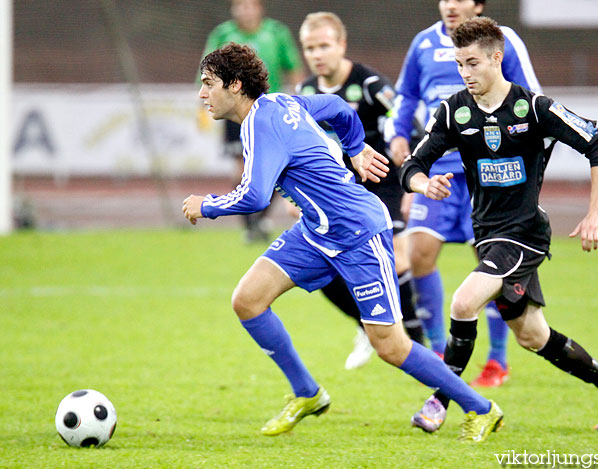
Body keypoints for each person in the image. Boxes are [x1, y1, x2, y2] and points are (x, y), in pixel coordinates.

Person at [183, 42, 503, 441]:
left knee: (388, 345)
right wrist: (354, 149)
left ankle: (482, 407)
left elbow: (254, 196)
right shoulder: (282, 103)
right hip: (316, 232)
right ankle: (307, 393)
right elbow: (338, 110)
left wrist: (206, 205)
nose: (202, 93)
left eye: (208, 84)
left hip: (358, 233)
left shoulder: (262, 123)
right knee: (247, 300)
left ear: (234, 85)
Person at [399, 17, 598, 433]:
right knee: (532, 336)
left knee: (463, 302)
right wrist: (425, 184)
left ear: (497, 58)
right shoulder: (454, 110)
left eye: (473, 63)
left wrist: (596, 212)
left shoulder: (534, 108)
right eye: (460, 65)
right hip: (487, 233)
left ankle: (441, 401)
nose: (465, 73)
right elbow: (412, 165)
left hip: (525, 233)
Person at [389, 0, 542, 391]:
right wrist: (400, 134)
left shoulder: (503, 42)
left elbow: (531, 99)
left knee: (489, 266)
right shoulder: (423, 43)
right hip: (438, 169)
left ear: (478, 4)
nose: (450, 5)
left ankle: (497, 360)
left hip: (487, 171)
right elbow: (405, 95)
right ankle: (441, 353)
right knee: (419, 253)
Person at [297, 11, 424, 370]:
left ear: (341, 45)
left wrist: (413, 181)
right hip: (338, 192)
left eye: (324, 45)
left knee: (398, 259)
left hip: (383, 182)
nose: (317, 54)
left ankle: (419, 344)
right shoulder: (305, 92)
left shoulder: (369, 84)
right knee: (321, 269)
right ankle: (368, 327)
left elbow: (408, 126)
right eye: (310, 48)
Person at [199, 0, 304, 242]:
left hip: (269, 111)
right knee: (241, 167)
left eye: (249, 5)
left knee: (278, 166)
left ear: (259, 8)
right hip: (234, 110)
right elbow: (204, 71)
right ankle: (250, 224)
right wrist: (202, 105)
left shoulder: (276, 33)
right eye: (240, 6)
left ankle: (260, 219)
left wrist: (298, 98)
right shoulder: (223, 34)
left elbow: (294, 68)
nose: (245, 10)